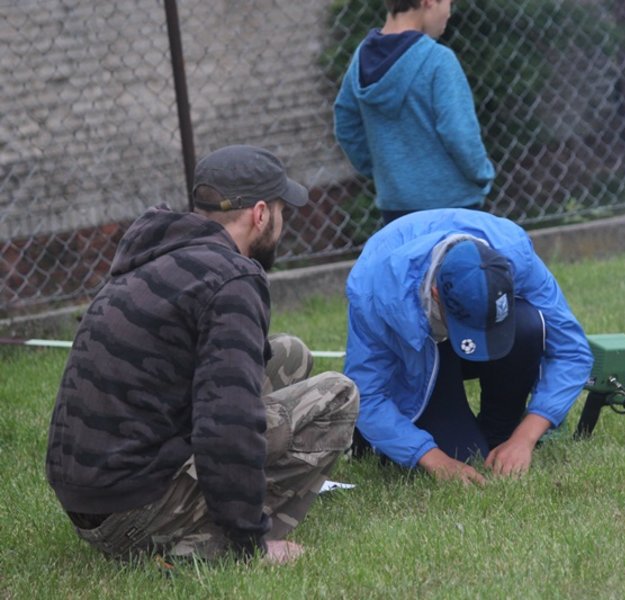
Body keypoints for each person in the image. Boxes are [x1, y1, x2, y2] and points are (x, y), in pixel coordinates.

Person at [45, 145, 359, 564]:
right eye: (283, 210)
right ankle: (205, 541)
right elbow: (225, 422)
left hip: (89, 498)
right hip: (133, 511)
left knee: (290, 355)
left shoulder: (160, 253)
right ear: (260, 214)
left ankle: (193, 517)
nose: (283, 223)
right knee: (338, 395)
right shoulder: (232, 279)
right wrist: (251, 543)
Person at [344, 209, 593, 485]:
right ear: (437, 294)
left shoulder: (512, 253)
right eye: (469, 327)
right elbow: (366, 393)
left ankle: (499, 430)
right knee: (463, 456)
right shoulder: (376, 290)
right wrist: (433, 458)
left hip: (450, 320)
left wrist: (525, 437)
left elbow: (572, 350)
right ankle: (378, 438)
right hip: (422, 350)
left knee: (529, 324)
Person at [333, 0, 495, 224]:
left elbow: (345, 125)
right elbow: (459, 133)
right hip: (454, 207)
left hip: (395, 209)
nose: (449, 13)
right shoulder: (439, 60)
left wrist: (387, 172)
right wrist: (482, 174)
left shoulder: (361, 59)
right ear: (428, 2)